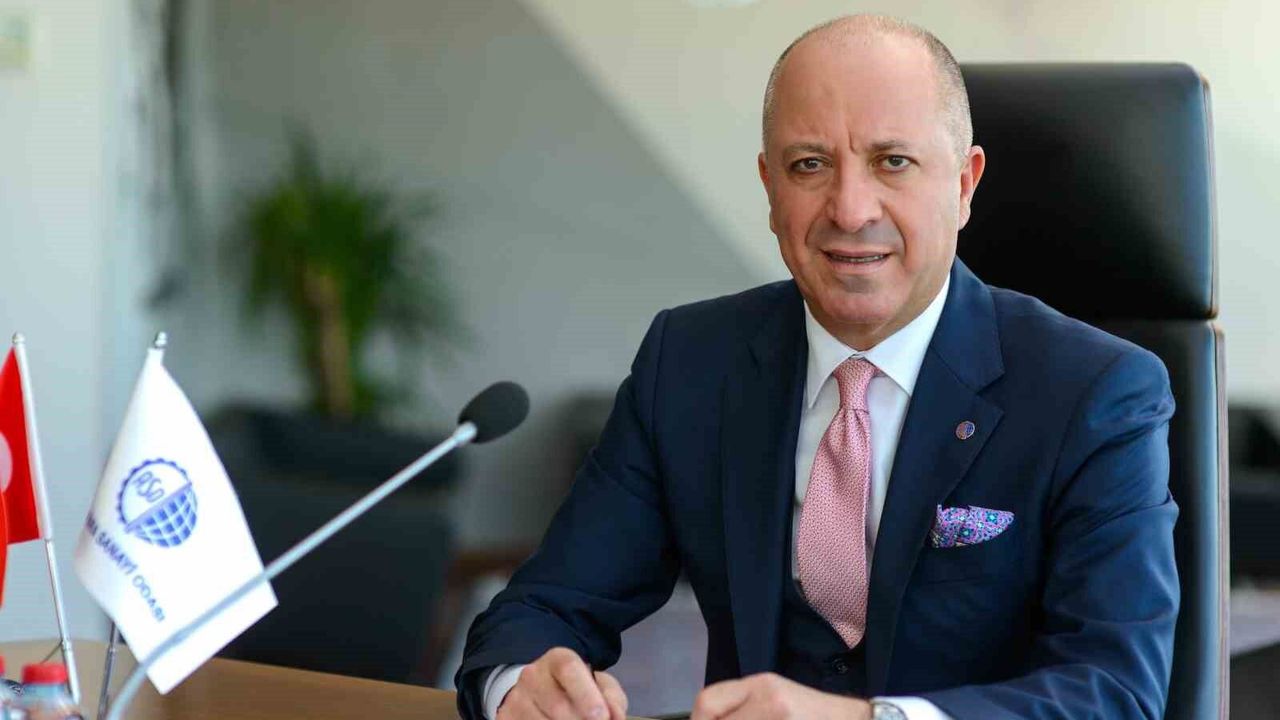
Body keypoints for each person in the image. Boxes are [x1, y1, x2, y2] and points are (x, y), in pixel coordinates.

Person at [456, 14, 1178, 720]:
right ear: (769, 187)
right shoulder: (690, 361)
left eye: (892, 162)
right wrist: (523, 684)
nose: (851, 209)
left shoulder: (1095, 392)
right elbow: (544, 606)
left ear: (964, 184)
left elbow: (1113, 691)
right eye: (810, 164)